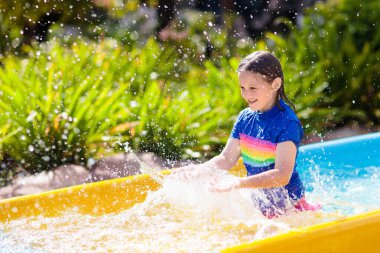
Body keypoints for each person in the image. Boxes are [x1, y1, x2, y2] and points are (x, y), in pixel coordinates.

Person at [172, 51, 320, 218]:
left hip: (292, 209)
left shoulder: (287, 123)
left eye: (253, 88)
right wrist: (199, 170)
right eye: (242, 88)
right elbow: (226, 158)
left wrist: (239, 183)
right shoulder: (244, 118)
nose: (246, 95)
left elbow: (282, 175)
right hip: (262, 206)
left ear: (275, 84)